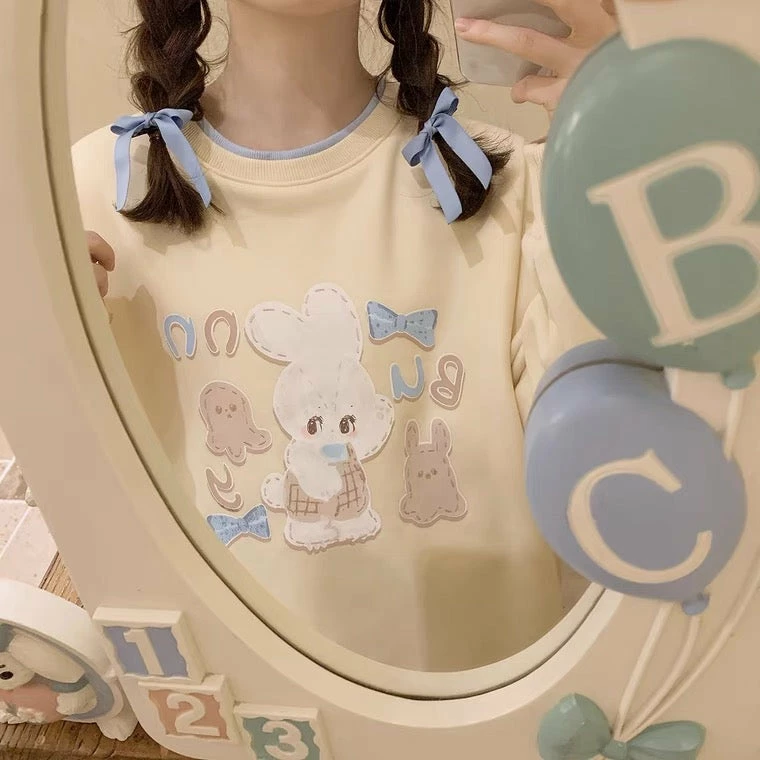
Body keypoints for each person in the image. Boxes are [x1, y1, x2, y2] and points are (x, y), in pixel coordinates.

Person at [73, 0, 615, 672]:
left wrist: (619, 159)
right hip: (215, 712)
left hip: (491, 711)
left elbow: (608, 492)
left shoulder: (503, 184)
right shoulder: (91, 194)